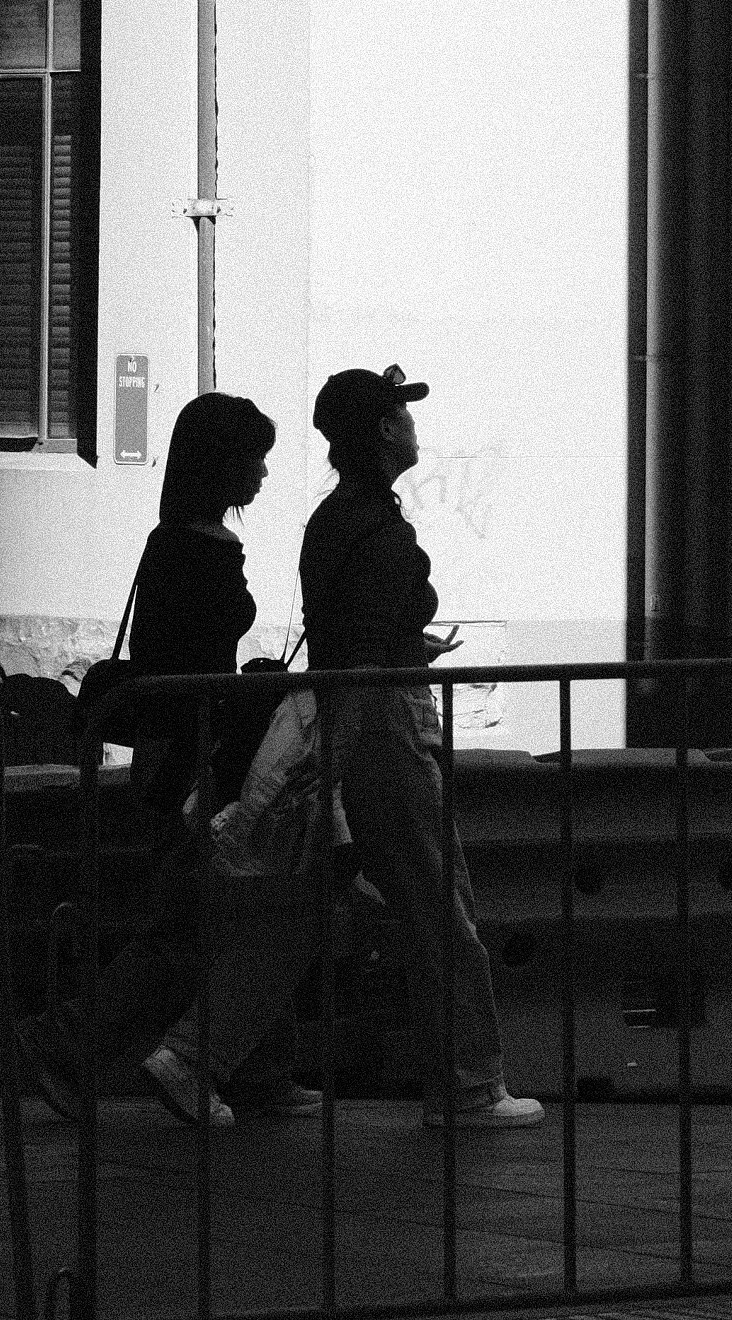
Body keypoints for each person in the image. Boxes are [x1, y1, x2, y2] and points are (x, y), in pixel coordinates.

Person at [23, 389, 317, 1129]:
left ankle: (257, 1066)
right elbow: (191, 664)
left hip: (179, 751)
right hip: (195, 757)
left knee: (224, 911)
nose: (262, 474)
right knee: (195, 918)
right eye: (254, 459)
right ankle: (69, 1042)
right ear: (222, 464)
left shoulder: (173, 540)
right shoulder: (200, 551)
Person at [303, 364, 542, 1135]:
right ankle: (469, 1084)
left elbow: (350, 634)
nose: (415, 428)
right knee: (442, 906)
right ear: (383, 431)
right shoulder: (382, 532)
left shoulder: (333, 520)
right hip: (388, 725)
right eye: (404, 416)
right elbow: (364, 654)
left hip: (364, 717)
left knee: (415, 900)